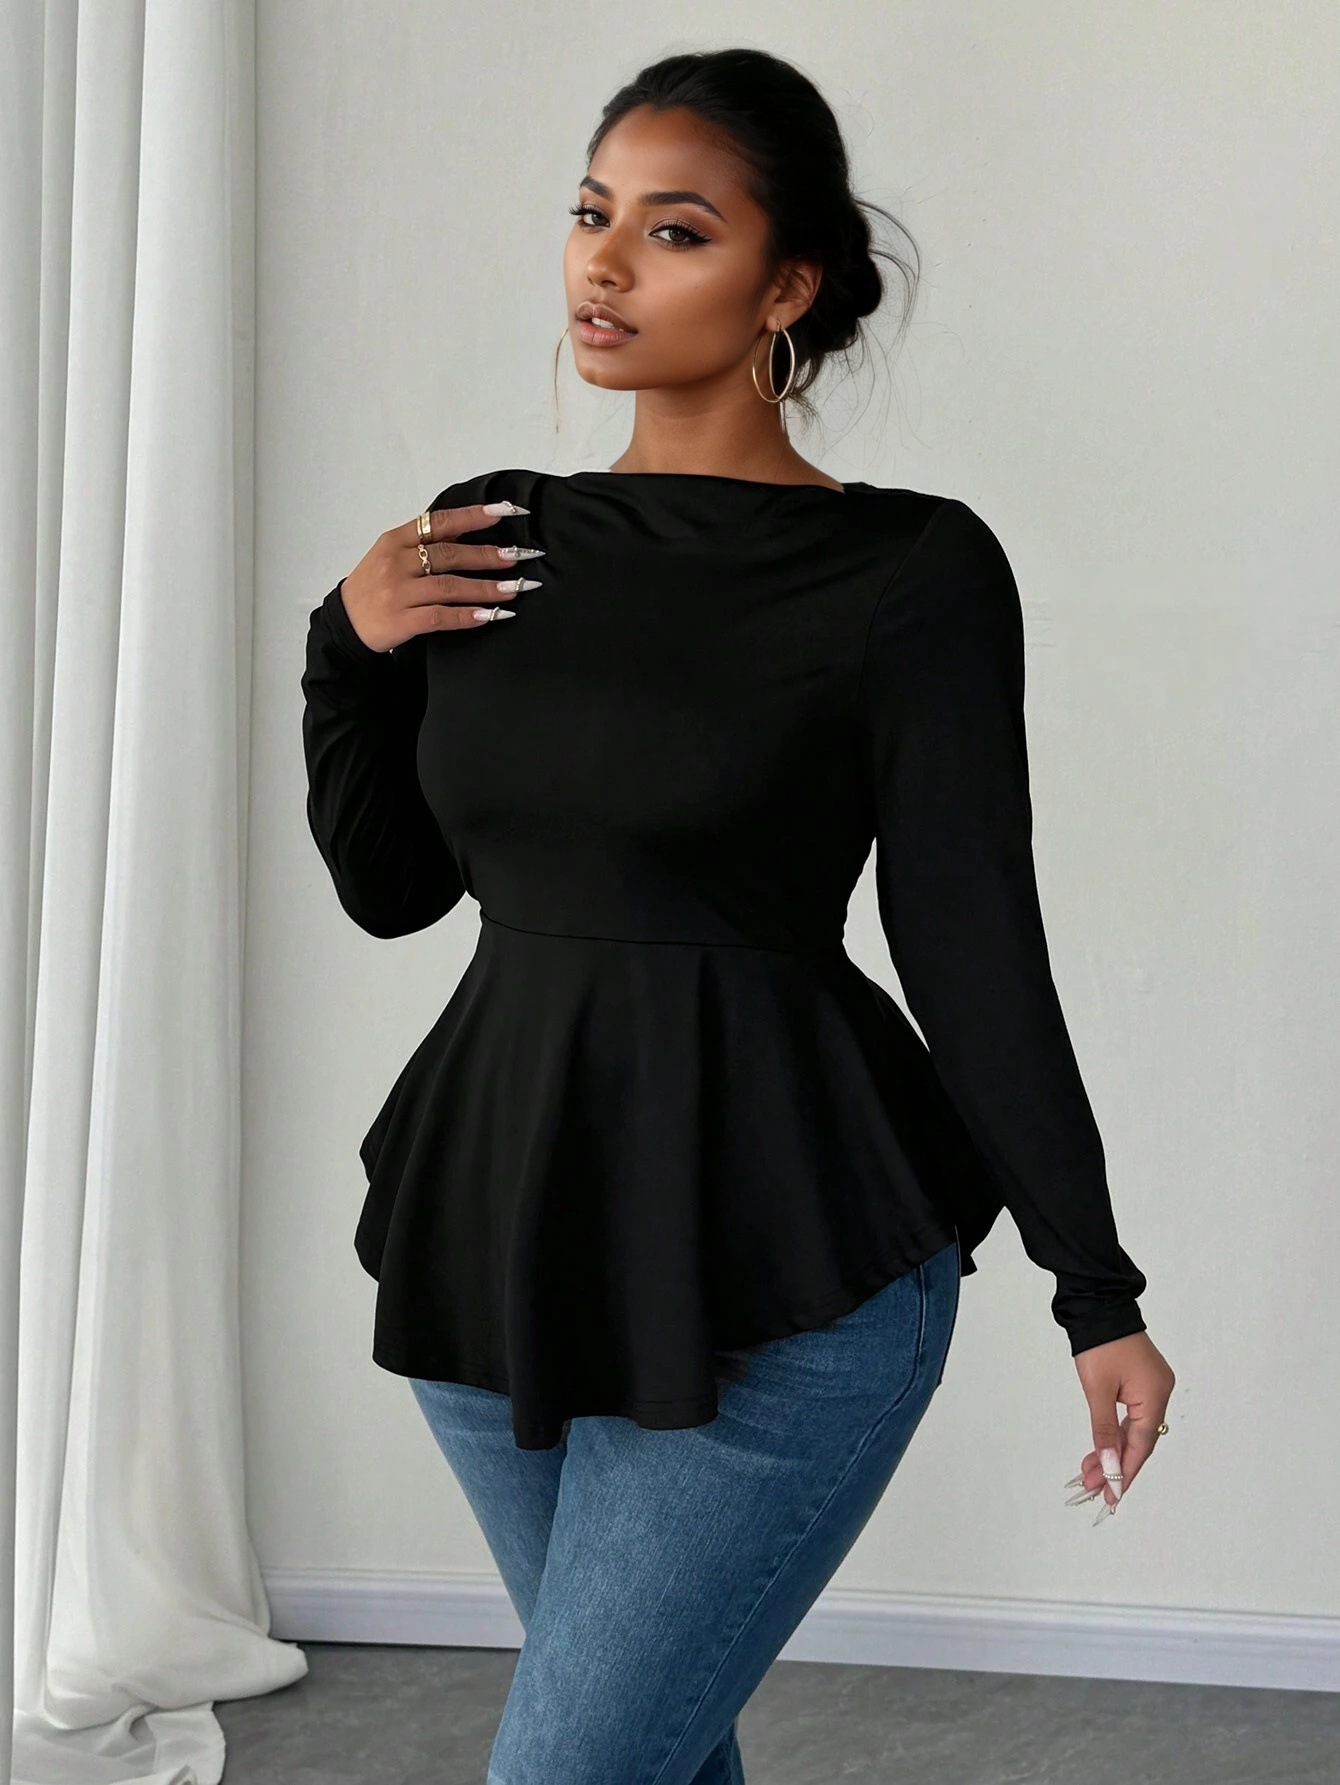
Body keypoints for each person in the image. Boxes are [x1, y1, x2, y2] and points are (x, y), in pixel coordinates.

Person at [300, 46, 1176, 1785]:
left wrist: (1096, 1285)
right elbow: (395, 891)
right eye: (592, 214)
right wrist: (346, 645)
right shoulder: (488, 540)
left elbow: (972, 941)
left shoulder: (910, 572)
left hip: (792, 1260)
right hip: (497, 1234)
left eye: (676, 229)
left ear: (787, 288)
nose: (606, 263)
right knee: (648, 1753)